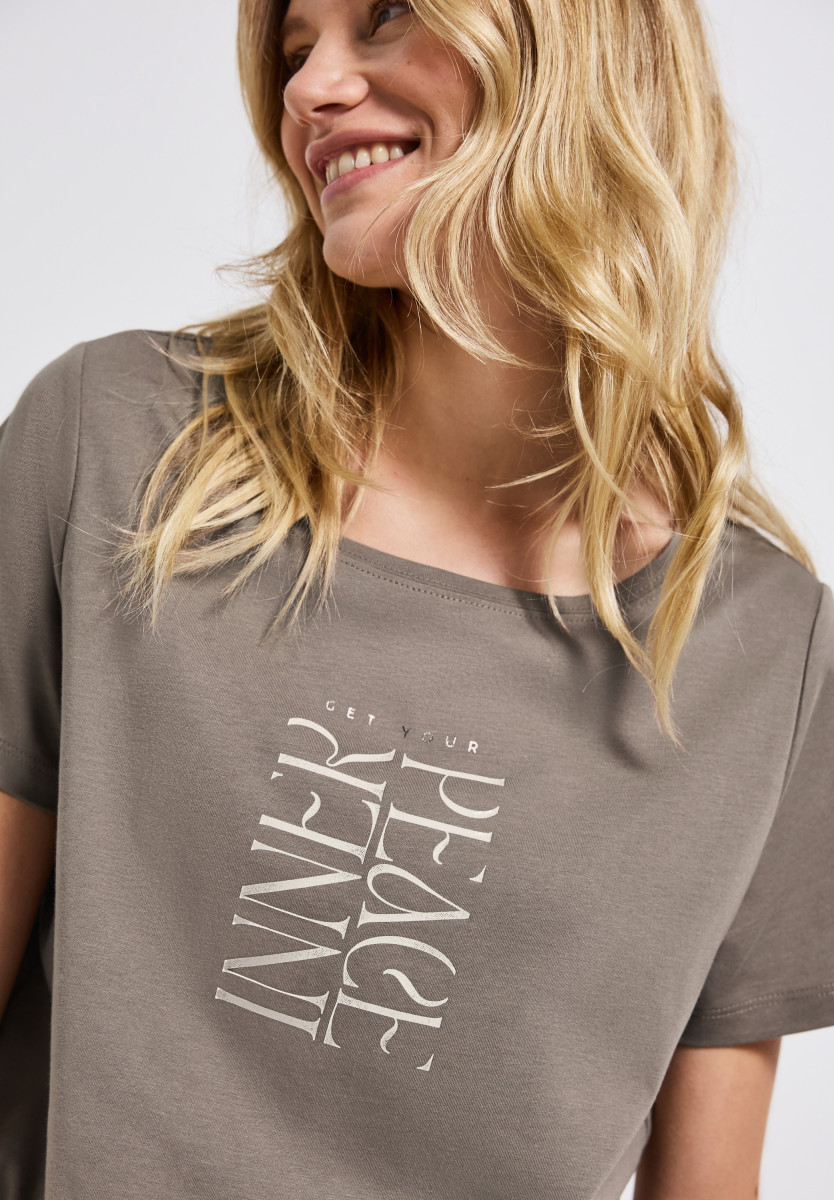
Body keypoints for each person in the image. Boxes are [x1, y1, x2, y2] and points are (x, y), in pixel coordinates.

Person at [0, 0, 832, 1197]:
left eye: (385, 17)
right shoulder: (118, 449)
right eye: (296, 50)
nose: (309, 90)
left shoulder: (765, 653)